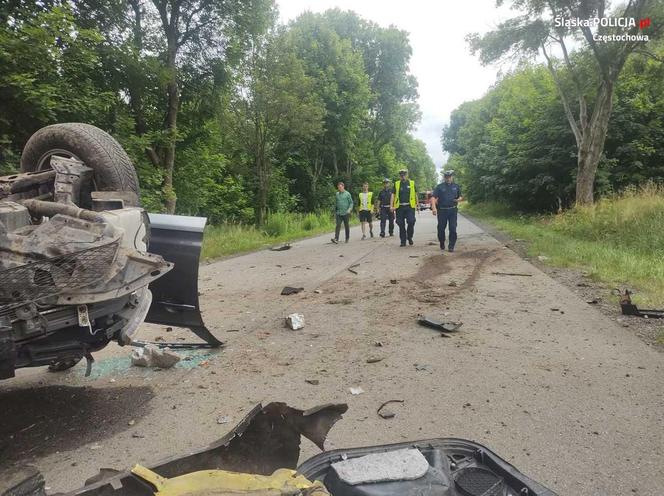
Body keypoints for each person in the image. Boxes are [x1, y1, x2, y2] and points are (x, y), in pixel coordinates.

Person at [431, 170, 463, 252]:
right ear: (444, 177)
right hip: (442, 211)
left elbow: (461, 196)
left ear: (452, 177)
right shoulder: (439, 187)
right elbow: (433, 197)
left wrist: (458, 199)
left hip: (453, 210)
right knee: (441, 228)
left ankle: (451, 245)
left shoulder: (456, 186)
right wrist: (434, 208)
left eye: (450, 177)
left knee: (453, 228)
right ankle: (442, 242)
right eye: (446, 177)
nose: (448, 178)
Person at [391, 169, 417, 247]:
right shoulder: (397, 184)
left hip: (410, 206)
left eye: (404, 175)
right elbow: (393, 195)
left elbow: (415, 194)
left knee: (411, 221)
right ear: (400, 176)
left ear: (407, 175)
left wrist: (417, 205)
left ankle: (409, 236)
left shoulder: (412, 183)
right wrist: (391, 205)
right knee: (400, 223)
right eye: (401, 175)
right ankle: (403, 240)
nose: (403, 177)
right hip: (400, 207)